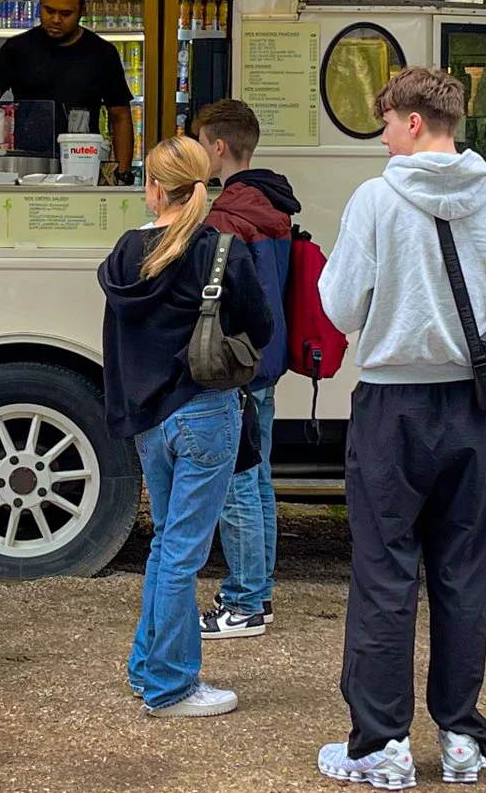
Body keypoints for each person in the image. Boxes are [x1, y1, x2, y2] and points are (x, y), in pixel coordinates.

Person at [316, 67, 486, 788]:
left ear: (412, 122)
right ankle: (462, 735)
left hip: (392, 405)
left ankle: (382, 743)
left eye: (385, 124)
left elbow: (341, 306)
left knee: (385, 572)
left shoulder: (376, 199)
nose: (381, 139)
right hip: (473, 405)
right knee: (464, 575)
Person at [99, 136, 274, 717]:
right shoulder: (219, 250)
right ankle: (171, 685)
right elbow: (260, 326)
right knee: (182, 552)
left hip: (149, 420)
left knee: (165, 546)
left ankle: (148, 667)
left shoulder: (126, 253)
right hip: (205, 412)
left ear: (153, 187)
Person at [193, 99, 299, 641]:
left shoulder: (227, 216)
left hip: (238, 363)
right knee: (258, 479)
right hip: (269, 358)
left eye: (200, 143)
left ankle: (244, 602)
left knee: (237, 483)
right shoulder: (273, 205)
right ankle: (259, 591)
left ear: (218, 147)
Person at [0, 0, 135, 173]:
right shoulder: (17, 48)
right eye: (49, 10)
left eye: (66, 13)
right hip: (29, 165)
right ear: (40, 2)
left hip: (83, 163)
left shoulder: (102, 53)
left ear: (83, 10)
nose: (56, 19)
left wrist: (123, 173)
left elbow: (120, 116)